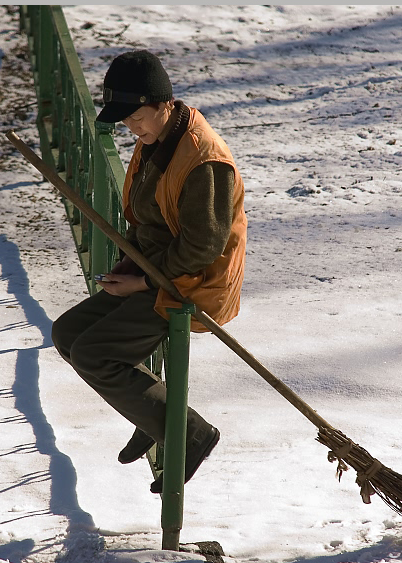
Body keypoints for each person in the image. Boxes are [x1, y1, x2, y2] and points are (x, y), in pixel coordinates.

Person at [51, 50, 247, 494]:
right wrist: (129, 262)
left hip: (188, 284)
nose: (130, 127)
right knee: (67, 334)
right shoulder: (156, 140)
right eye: (124, 120)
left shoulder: (204, 160)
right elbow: (147, 218)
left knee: (95, 354)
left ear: (162, 103)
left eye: (135, 116)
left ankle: (187, 432)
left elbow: (202, 246)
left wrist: (141, 281)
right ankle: (151, 410)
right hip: (153, 270)